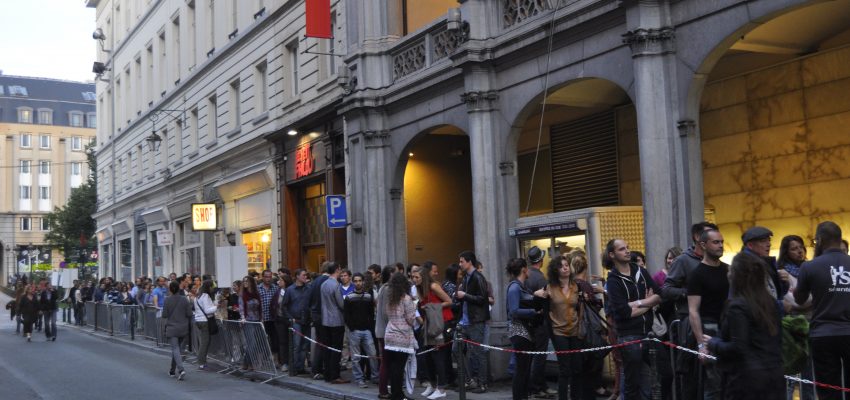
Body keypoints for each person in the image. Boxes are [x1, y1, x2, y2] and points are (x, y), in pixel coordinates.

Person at [705, 252, 784, 399]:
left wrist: (712, 343)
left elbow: (738, 347)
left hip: (745, 381)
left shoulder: (738, 306)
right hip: (774, 375)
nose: (728, 273)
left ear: (737, 275)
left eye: (730, 270)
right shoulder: (771, 303)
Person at [605, 238, 669, 400]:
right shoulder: (613, 280)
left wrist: (638, 303)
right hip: (629, 335)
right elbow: (624, 312)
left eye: (627, 247)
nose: (627, 251)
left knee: (660, 376)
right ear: (612, 254)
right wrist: (648, 303)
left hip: (649, 332)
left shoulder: (640, 271)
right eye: (621, 249)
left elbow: (659, 295)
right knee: (633, 383)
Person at [793, 221, 850, 400]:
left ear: (820, 240)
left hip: (823, 333)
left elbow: (799, 299)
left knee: (828, 389)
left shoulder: (809, 266)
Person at [534, 255, 599, 400]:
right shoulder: (550, 288)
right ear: (556, 270)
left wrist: (587, 299)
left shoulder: (577, 287)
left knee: (577, 367)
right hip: (558, 332)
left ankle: (576, 397)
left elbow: (586, 304)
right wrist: (538, 295)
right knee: (565, 369)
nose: (565, 268)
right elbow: (536, 301)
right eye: (561, 266)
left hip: (576, 330)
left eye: (566, 265)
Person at [687, 229, 728, 399]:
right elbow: (693, 310)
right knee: (714, 383)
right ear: (703, 245)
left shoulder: (728, 270)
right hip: (709, 328)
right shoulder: (697, 274)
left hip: (728, 327)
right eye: (715, 242)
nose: (720, 246)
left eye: (721, 242)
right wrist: (700, 345)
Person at [776, 235, 814, 400]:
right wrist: (811, 298)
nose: (799, 251)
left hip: (811, 324)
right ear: (786, 251)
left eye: (801, 247)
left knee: (810, 372)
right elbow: (794, 301)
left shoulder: (810, 268)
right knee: (791, 373)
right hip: (791, 326)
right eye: (794, 248)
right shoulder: (782, 272)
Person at [415, 263, 453, 399]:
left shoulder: (434, 286)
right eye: (413, 277)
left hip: (441, 323)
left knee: (438, 356)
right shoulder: (420, 289)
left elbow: (449, 301)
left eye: (417, 277)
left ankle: (441, 388)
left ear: (423, 277)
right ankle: (433, 384)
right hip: (429, 324)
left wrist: (432, 307)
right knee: (427, 355)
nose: (414, 279)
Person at [455, 251, 491, 393]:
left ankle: (482, 383)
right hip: (465, 321)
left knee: (478, 352)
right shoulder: (466, 278)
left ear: (469, 262)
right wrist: (459, 295)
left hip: (476, 321)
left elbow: (483, 298)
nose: (460, 264)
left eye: (462, 261)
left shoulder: (478, 277)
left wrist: (465, 295)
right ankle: (470, 380)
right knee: (456, 350)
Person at [505, 258, 541, 400]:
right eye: (527, 268)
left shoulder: (520, 286)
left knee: (524, 369)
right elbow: (513, 311)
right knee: (521, 370)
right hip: (520, 332)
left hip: (524, 332)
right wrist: (534, 312)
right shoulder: (515, 287)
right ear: (523, 269)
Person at [522, 246, 554, 399]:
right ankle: (537, 387)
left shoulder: (526, 276)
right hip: (540, 322)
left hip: (528, 322)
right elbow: (545, 300)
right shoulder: (540, 278)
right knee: (540, 356)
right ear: (541, 261)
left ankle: (539, 385)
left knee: (533, 355)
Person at [384, 272, 418, 400]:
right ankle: (398, 395)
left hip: (390, 334)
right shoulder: (407, 299)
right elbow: (411, 319)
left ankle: (395, 393)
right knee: (399, 367)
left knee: (393, 367)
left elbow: (388, 315)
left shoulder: (391, 299)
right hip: (402, 336)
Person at [344, 272, 379, 388]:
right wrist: (352, 328)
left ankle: (375, 377)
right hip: (354, 331)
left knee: (373, 354)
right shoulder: (349, 297)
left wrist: (370, 327)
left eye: (360, 280)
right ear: (353, 282)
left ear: (363, 282)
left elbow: (371, 313)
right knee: (356, 357)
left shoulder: (368, 296)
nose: (358, 283)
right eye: (356, 281)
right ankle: (359, 379)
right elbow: (346, 315)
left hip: (367, 330)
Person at [320, 262, 348, 384]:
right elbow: (341, 304)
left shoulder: (324, 284)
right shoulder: (336, 285)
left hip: (325, 319)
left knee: (328, 349)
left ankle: (327, 374)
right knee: (336, 349)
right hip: (336, 320)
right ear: (337, 270)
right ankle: (335, 375)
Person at [283, 269, 312, 375]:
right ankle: (294, 367)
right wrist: (291, 318)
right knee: (297, 344)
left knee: (305, 345)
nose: (306, 277)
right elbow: (284, 306)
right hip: (296, 321)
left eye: (306, 275)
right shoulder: (290, 290)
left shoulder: (309, 288)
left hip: (306, 320)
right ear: (297, 276)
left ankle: (300, 367)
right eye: (304, 275)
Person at [163, 280, 192, 381]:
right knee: (177, 350)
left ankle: (181, 370)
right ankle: (172, 370)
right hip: (183, 327)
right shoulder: (184, 299)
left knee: (175, 349)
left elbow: (164, 315)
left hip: (172, 327)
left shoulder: (167, 300)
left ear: (170, 289)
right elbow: (189, 314)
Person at [375, 265, 396, 400]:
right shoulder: (388, 289)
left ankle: (384, 390)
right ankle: (383, 391)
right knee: (388, 362)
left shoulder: (383, 288)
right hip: (386, 330)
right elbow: (385, 312)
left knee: (386, 361)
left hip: (382, 330)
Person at [309, 263, 332, 380]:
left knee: (320, 342)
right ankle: (318, 369)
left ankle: (317, 368)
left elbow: (310, 298)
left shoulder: (315, 281)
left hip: (316, 315)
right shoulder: (329, 281)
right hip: (325, 315)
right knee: (324, 343)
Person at [192, 280, 217, 370]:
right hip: (204, 321)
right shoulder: (205, 296)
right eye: (212, 287)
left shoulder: (197, 297)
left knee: (204, 341)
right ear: (208, 287)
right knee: (204, 342)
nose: (212, 289)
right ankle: (201, 363)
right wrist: (216, 307)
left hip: (199, 320)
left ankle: (202, 361)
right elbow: (207, 310)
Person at [257, 270, 280, 365]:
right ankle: (260, 361)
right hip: (262, 318)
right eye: (266, 277)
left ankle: (275, 360)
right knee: (261, 340)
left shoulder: (275, 288)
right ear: (262, 277)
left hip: (273, 318)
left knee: (275, 339)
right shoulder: (258, 288)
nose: (268, 279)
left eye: (269, 277)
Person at [271, 274, 293, 371]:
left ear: (285, 282)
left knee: (292, 342)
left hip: (290, 319)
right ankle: (284, 362)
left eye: (280, 280)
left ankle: (292, 362)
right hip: (280, 320)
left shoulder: (291, 291)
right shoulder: (278, 292)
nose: (278, 282)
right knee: (282, 342)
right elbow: (273, 304)